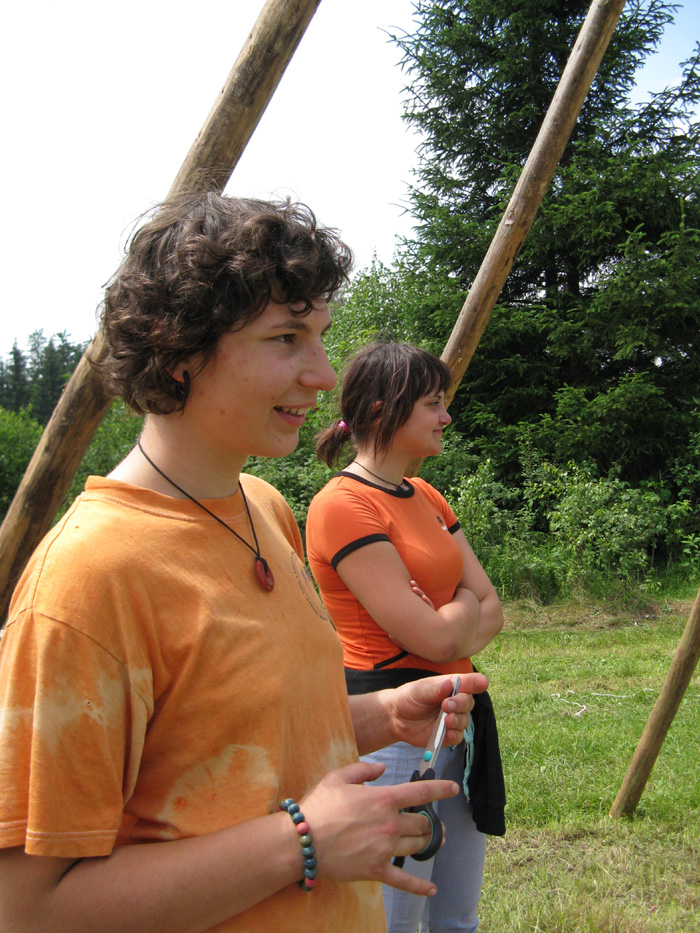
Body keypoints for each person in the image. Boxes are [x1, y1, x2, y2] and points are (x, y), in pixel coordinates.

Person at [0, 194, 490, 933]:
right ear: (178, 350)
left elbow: (237, 739)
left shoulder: (261, 507)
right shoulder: (89, 579)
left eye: (320, 336)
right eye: (286, 338)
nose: (323, 374)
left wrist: (384, 714)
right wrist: (302, 843)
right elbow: (29, 910)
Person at [306, 341, 505, 933]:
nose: (447, 417)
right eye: (432, 404)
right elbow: (438, 639)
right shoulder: (342, 505)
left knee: (456, 915)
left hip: (459, 717)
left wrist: (447, 613)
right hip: (389, 727)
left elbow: (493, 609)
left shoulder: (427, 496)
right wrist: (459, 609)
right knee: (390, 916)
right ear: (382, 410)